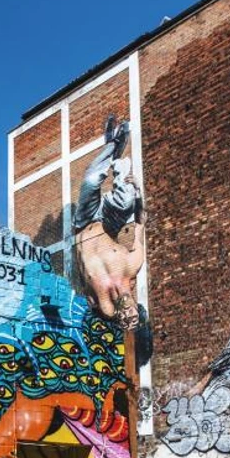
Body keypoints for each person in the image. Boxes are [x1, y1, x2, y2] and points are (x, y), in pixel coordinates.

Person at [71, 117, 147, 334]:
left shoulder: (102, 303)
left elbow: (103, 314)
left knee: (91, 179)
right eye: (134, 317)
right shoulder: (132, 264)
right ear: (137, 307)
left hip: (84, 222)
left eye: (126, 321)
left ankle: (112, 146)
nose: (128, 316)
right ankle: (120, 166)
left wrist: (117, 321)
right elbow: (140, 222)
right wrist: (139, 193)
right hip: (107, 221)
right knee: (128, 200)